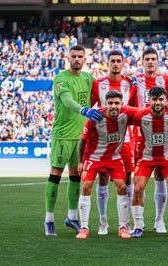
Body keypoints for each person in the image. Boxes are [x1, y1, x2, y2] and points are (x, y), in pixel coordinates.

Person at [44, 45, 101, 236]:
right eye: (73, 56)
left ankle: (71, 217)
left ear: (85, 59)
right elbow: (67, 100)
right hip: (62, 135)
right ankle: (49, 219)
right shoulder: (61, 79)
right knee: (56, 174)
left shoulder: (88, 78)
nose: (77, 59)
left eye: (80, 56)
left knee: (77, 175)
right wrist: (85, 110)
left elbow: (103, 89)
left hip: (81, 136)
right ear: (68, 58)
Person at [76, 90, 136, 240]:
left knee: (122, 186)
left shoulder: (126, 114)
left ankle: (123, 227)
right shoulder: (94, 118)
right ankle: (84, 228)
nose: (114, 106)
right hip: (94, 157)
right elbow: (82, 142)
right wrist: (80, 161)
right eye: (110, 103)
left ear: (121, 104)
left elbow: (143, 113)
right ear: (105, 104)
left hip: (114, 158)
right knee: (86, 186)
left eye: (117, 103)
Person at [131, 48, 168, 233]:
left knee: (161, 177)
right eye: (147, 59)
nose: (150, 62)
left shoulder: (166, 80)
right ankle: (135, 224)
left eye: (153, 59)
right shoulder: (135, 81)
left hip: (163, 135)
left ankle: (160, 221)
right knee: (137, 183)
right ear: (142, 61)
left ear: (158, 61)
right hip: (141, 137)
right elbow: (129, 103)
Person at [91, 50, 136, 235]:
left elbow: (133, 110)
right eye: (113, 61)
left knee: (126, 179)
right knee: (103, 178)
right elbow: (90, 108)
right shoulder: (98, 85)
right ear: (107, 63)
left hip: (125, 140)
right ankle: (103, 222)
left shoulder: (129, 84)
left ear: (123, 63)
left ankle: (126, 223)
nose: (116, 64)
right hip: (103, 141)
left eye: (119, 61)